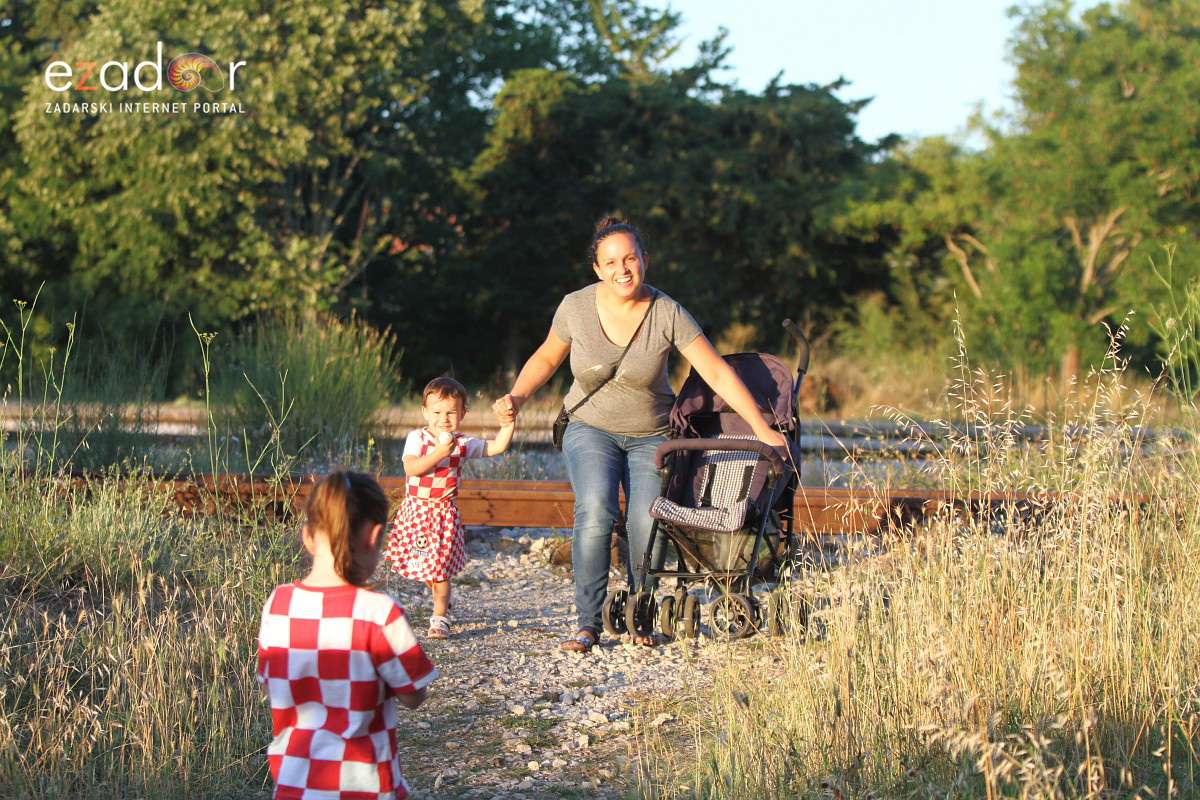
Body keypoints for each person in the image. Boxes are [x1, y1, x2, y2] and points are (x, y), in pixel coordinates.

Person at [493, 215, 789, 653]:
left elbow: (718, 374)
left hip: (652, 434)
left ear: (645, 260)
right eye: (611, 262)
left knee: (647, 518)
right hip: (589, 427)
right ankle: (588, 622)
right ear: (597, 269)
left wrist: (763, 428)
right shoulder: (575, 307)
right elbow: (546, 358)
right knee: (595, 509)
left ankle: (641, 613)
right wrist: (516, 396)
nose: (622, 269)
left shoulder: (666, 311)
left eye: (630, 258)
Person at [256, 470, 437, 800]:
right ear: (375, 536)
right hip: (365, 787)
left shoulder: (278, 603)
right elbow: (414, 694)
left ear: (308, 535)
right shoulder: (379, 612)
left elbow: (272, 682)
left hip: (294, 785)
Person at [385, 377, 514, 639]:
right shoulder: (417, 438)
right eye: (436, 412)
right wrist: (439, 452)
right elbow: (412, 467)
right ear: (425, 412)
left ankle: (440, 617)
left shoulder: (463, 443)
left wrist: (508, 424)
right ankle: (442, 600)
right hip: (417, 514)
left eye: (451, 412)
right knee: (424, 566)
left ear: (463, 414)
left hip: (442, 515)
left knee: (440, 569)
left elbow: (497, 446)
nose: (443, 419)